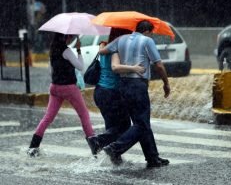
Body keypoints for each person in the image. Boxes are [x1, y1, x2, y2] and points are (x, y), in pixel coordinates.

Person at [99, 20, 171, 168]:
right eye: (152, 33)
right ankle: (114, 148)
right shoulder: (147, 41)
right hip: (138, 86)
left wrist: (102, 44)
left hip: (123, 86)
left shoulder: (121, 39)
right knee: (142, 124)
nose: (152, 36)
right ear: (148, 31)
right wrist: (166, 83)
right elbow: (159, 64)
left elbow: (103, 51)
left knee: (142, 122)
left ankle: (153, 158)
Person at [27, 33, 99, 157]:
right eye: (69, 36)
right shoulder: (67, 51)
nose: (70, 38)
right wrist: (78, 50)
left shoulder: (53, 50)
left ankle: (33, 146)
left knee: (48, 117)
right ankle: (93, 145)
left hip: (55, 87)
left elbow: (50, 70)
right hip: (69, 87)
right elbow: (80, 66)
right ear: (65, 37)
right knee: (84, 115)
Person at [93, 28, 145, 156]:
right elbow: (115, 67)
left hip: (100, 91)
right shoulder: (115, 49)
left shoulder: (104, 45)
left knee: (111, 126)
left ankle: (113, 155)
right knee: (125, 126)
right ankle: (98, 141)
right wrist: (134, 68)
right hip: (111, 93)